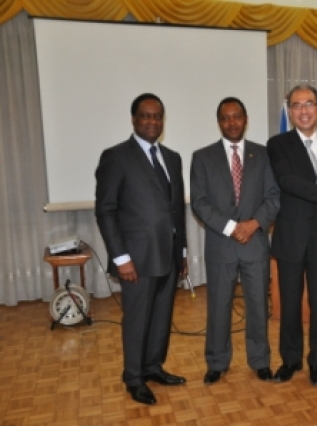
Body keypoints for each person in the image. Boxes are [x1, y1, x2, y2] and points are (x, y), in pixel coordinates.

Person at [95, 93, 188, 405]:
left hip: (169, 255)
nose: (152, 122)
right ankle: (133, 377)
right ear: (134, 119)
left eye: (157, 116)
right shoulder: (116, 157)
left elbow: (176, 210)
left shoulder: (172, 158)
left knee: (161, 317)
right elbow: (105, 210)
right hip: (135, 258)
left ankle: (152, 367)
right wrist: (121, 258)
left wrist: (183, 252)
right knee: (137, 320)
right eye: (146, 116)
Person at [190, 97, 280, 385]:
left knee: (257, 305)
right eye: (226, 118)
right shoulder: (202, 157)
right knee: (218, 306)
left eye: (237, 116)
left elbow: (273, 197)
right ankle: (216, 362)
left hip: (255, 243)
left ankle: (260, 361)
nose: (232, 122)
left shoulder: (263, 155)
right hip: (221, 244)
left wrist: (253, 224)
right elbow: (200, 204)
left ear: (245, 119)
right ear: (219, 122)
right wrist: (231, 228)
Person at [267, 85, 317, 386]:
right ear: (290, 111)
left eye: (309, 104)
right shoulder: (278, 144)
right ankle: (290, 360)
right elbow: (287, 181)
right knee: (289, 305)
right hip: (290, 238)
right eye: (296, 105)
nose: (303, 110)